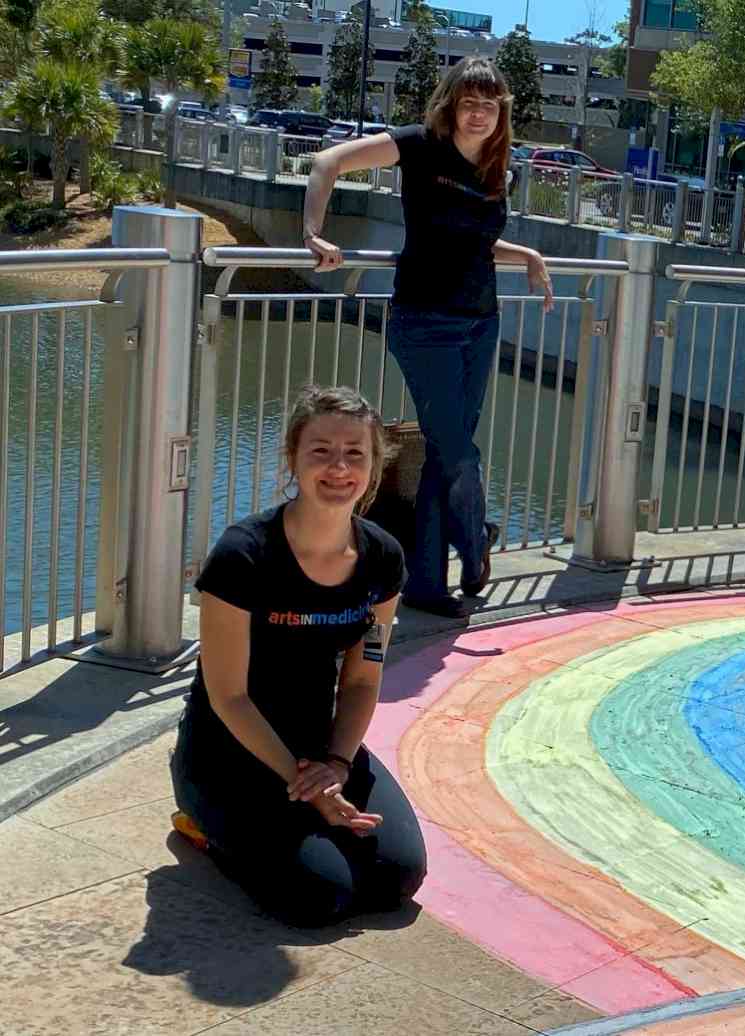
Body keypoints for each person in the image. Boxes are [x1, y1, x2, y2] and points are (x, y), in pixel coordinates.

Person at [301, 56, 554, 617]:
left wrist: (528, 254)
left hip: (480, 321)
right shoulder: (418, 145)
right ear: (451, 105)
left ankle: (428, 585)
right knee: (456, 449)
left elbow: (472, 241)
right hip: (424, 320)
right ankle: (474, 538)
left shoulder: (496, 165)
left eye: (491, 104)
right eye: (470, 102)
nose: (480, 113)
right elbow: (327, 162)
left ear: (501, 113)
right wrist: (313, 232)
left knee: (449, 451)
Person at [170, 386, 427, 928]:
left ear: (375, 463)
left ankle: (308, 818)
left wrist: (335, 764)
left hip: (322, 748)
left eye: (355, 452)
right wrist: (304, 785)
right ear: (293, 458)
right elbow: (228, 696)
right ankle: (203, 827)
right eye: (321, 451)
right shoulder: (244, 555)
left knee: (396, 880)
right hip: (233, 754)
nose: (339, 467)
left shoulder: (382, 556)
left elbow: (362, 679)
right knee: (318, 897)